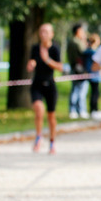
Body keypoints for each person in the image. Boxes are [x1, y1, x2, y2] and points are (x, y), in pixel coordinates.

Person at [27, 23, 63, 154]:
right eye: (41, 31)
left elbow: (60, 67)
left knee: (51, 116)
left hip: (50, 84)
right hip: (37, 83)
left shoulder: (55, 49)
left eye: (46, 32)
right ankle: (38, 136)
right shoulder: (35, 48)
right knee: (38, 109)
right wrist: (31, 64)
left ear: (52, 34)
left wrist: (47, 60)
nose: (43, 34)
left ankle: (52, 142)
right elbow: (31, 63)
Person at [66, 24, 89, 119]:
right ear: (78, 31)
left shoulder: (71, 41)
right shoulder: (76, 42)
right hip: (79, 68)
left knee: (77, 89)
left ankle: (76, 110)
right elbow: (84, 51)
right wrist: (84, 41)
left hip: (75, 67)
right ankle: (77, 110)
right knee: (79, 90)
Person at [85, 33, 101, 120]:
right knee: (95, 93)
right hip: (94, 75)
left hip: (94, 75)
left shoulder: (88, 51)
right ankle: (94, 110)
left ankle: (94, 110)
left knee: (95, 92)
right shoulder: (93, 52)